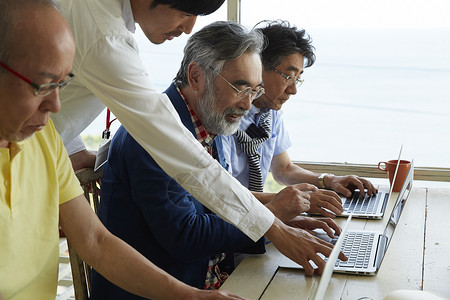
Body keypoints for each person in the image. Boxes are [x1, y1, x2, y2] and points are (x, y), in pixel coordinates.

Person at [51, 0, 344, 274]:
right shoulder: (106, 38)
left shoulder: (209, 118)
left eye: (254, 92)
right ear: (196, 78)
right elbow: (189, 175)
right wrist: (273, 224)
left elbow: (207, 191)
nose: (189, 27)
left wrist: (279, 213)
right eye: (187, 10)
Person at [0, 1, 247, 299]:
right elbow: (185, 233)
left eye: (63, 84)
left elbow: (96, 241)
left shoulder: (46, 139)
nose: (56, 105)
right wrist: (269, 223)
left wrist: (189, 296)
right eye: (41, 86)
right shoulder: (149, 135)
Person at [220, 20, 377, 215]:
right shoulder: (227, 116)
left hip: (257, 215)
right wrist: (299, 201)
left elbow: (283, 169)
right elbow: (223, 194)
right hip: (231, 218)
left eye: (298, 79)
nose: (293, 90)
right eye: (288, 76)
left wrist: (329, 180)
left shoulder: (269, 114)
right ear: (257, 68)